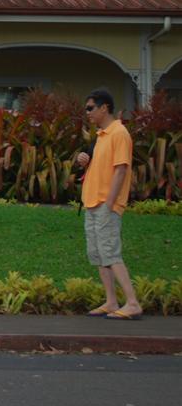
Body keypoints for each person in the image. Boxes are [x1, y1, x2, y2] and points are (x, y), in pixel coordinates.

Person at [74, 88, 142, 320]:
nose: (87, 113)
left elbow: (121, 169)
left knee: (111, 253)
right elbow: (100, 168)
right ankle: (111, 301)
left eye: (90, 108)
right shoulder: (101, 136)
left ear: (105, 108)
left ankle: (132, 303)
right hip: (92, 202)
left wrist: (110, 203)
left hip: (106, 203)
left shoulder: (119, 133)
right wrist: (84, 161)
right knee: (99, 255)